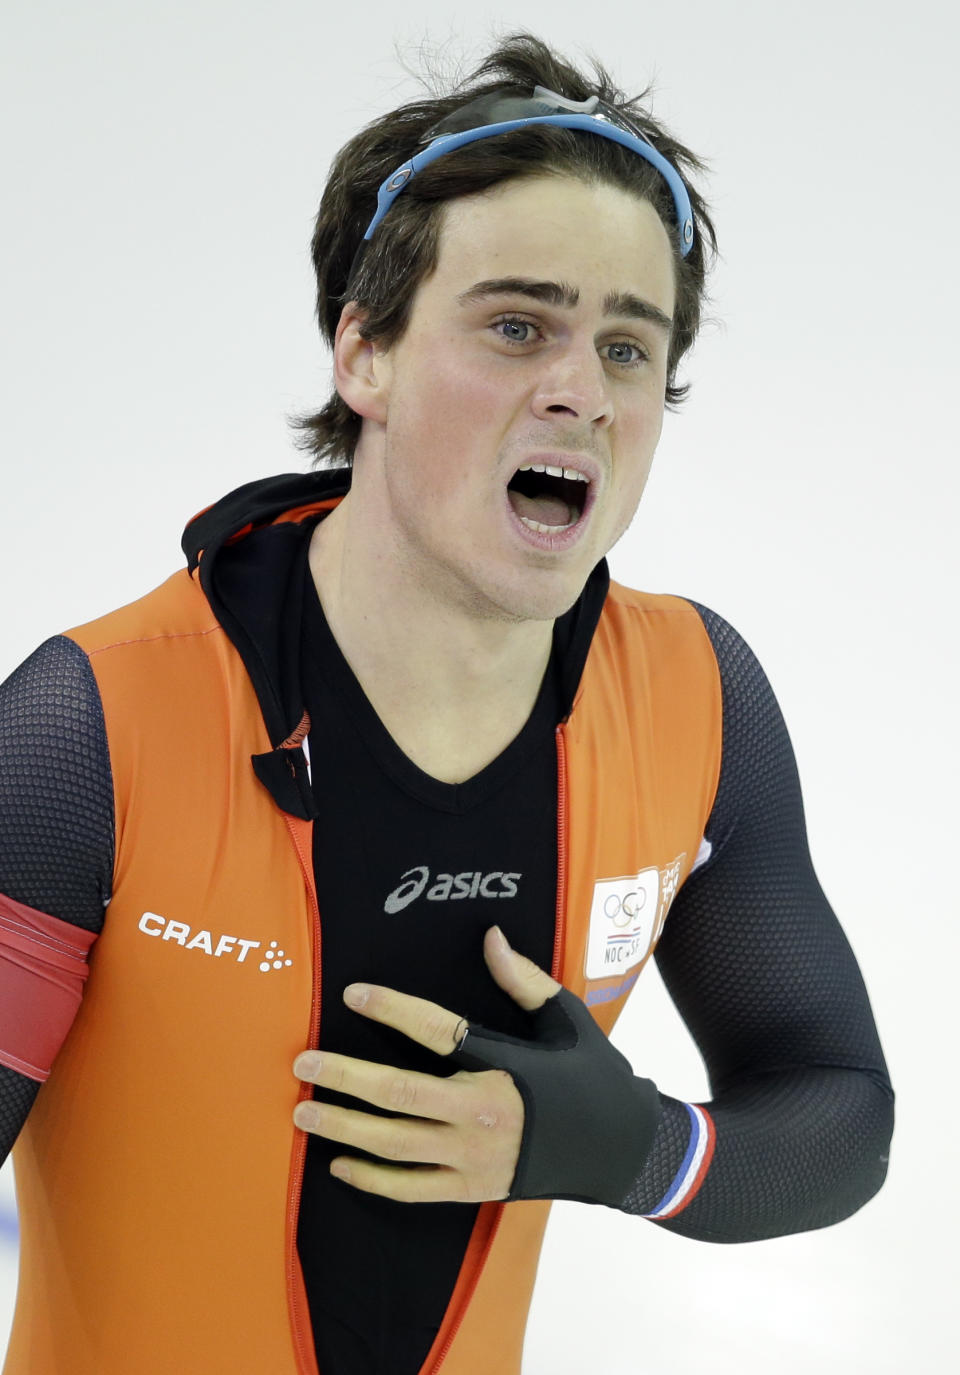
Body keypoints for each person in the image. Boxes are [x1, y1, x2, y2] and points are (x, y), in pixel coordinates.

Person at [0, 31, 893, 1375]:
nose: (580, 392)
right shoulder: (91, 732)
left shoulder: (698, 700)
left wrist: (635, 1151)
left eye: (629, 348)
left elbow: (838, 1115)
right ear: (365, 352)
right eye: (517, 325)